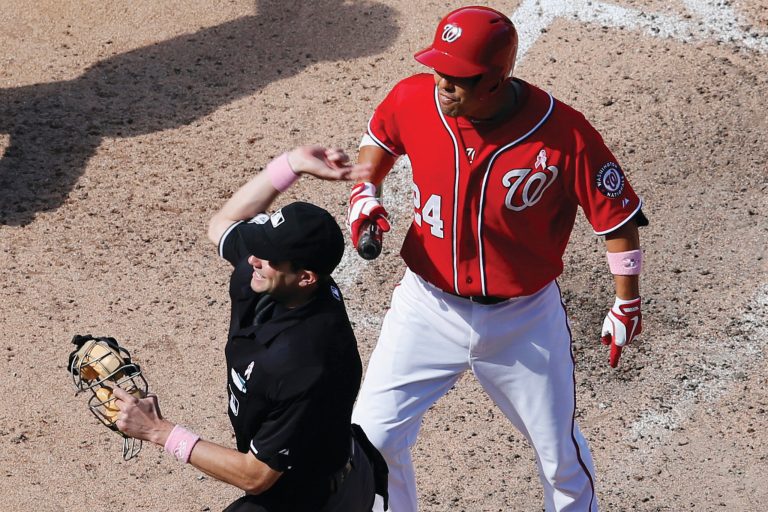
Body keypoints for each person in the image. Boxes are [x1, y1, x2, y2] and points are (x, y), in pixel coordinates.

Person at [345, 6, 648, 512]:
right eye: (439, 68)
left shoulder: (564, 133)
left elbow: (616, 219)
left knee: (560, 460)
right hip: (426, 307)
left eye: (460, 77)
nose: (444, 82)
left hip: (523, 322)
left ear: (498, 77)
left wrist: (625, 303)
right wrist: (363, 192)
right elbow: (378, 140)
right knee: (371, 436)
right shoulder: (414, 98)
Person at [114, 145, 387, 511]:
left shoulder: (307, 361)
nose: (253, 259)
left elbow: (255, 477)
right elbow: (222, 224)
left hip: (316, 500)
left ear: (305, 277)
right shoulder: (271, 276)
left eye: (268, 258)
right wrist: (290, 166)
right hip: (300, 469)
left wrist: (159, 431)